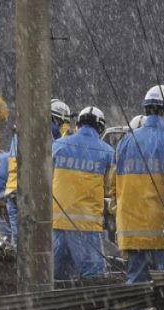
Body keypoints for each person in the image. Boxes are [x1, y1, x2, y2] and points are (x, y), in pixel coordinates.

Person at [114, 85, 164, 283]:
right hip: (160, 234)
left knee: (137, 294)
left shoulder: (125, 141)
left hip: (131, 233)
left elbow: (115, 187)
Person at [51, 106, 116, 280]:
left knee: (55, 278)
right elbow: (111, 187)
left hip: (56, 225)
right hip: (85, 227)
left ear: (78, 124)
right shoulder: (107, 152)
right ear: (100, 127)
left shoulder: (57, 145)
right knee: (93, 278)